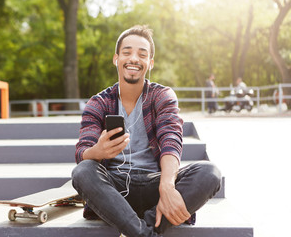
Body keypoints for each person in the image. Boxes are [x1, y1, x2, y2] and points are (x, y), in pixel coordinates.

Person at [72, 25, 221, 237]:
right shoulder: (98, 102)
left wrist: (167, 186)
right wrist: (98, 151)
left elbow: (171, 140)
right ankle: (146, 234)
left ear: (150, 63)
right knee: (83, 171)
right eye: (127, 52)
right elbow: (82, 152)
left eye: (142, 54)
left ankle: (137, 230)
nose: (134, 58)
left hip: (156, 184)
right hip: (115, 191)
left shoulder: (162, 96)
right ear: (116, 59)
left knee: (210, 173)